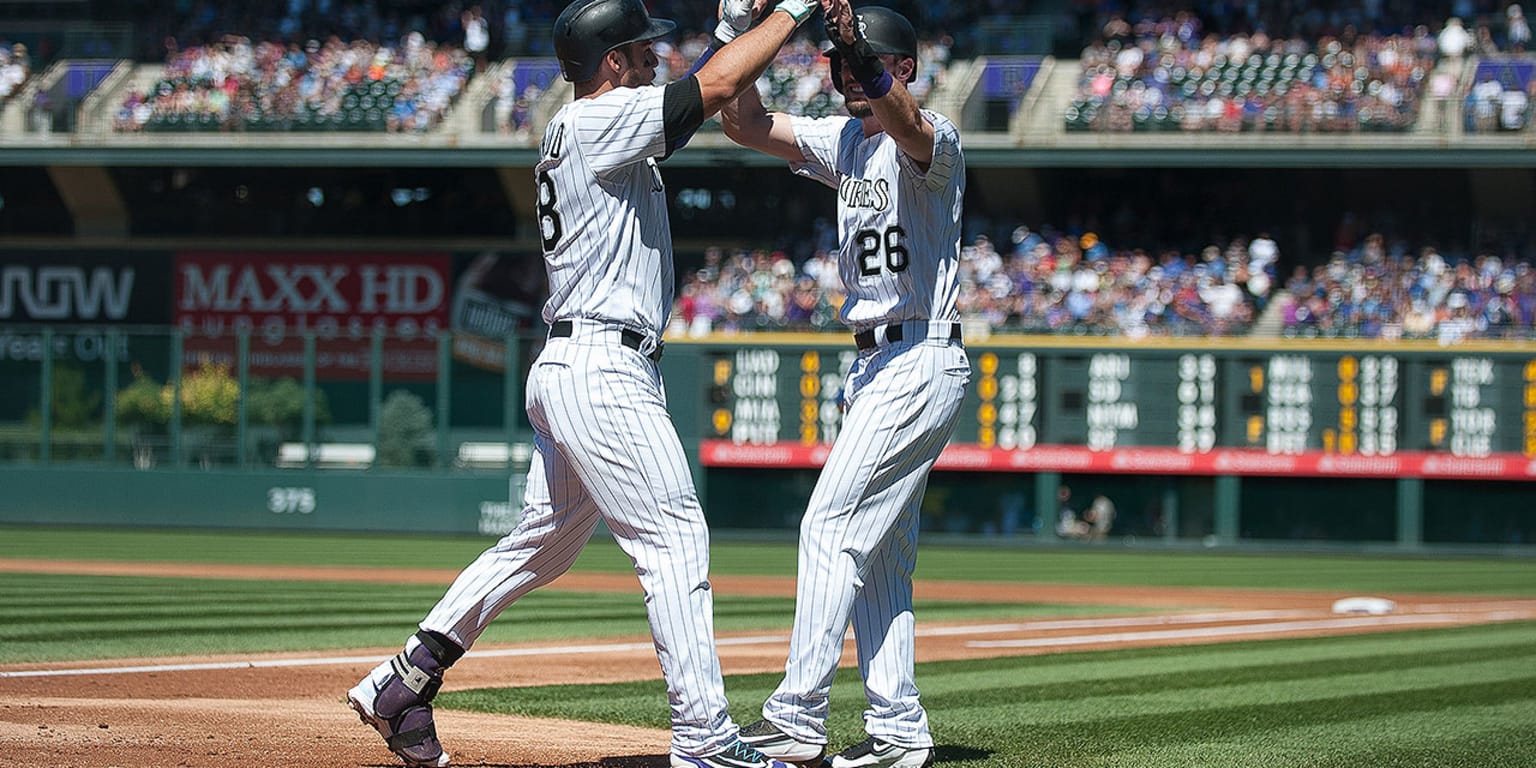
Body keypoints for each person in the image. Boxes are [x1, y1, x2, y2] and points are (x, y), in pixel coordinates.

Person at [345, 1, 818, 767]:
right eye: (639, 50)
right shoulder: (600, 123)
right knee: (673, 537)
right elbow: (716, 86)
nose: (653, 58)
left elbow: (709, 89)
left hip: (578, 362)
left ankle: (404, 681)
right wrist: (792, 11)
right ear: (610, 63)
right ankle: (704, 739)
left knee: (544, 544)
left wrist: (732, 25)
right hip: (602, 366)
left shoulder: (596, 128)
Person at [720, 2, 969, 766]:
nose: (851, 78)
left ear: (907, 69)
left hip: (918, 355)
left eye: (866, 65)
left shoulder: (934, 140)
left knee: (828, 529)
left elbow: (907, 124)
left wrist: (857, 42)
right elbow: (743, 121)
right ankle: (899, 732)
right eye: (840, 66)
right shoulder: (844, 140)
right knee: (881, 559)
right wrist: (735, 34)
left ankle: (797, 715)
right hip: (875, 364)